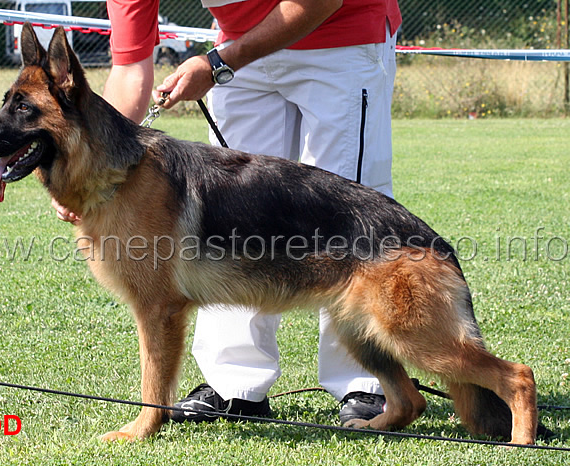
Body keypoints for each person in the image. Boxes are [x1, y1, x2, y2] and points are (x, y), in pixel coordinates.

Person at [56, 0, 402, 427]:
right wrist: (90, 170)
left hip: (339, 37)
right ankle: (235, 385)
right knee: (231, 214)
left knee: (346, 213)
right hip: (239, 52)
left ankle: (363, 383)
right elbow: (130, 68)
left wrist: (219, 62)